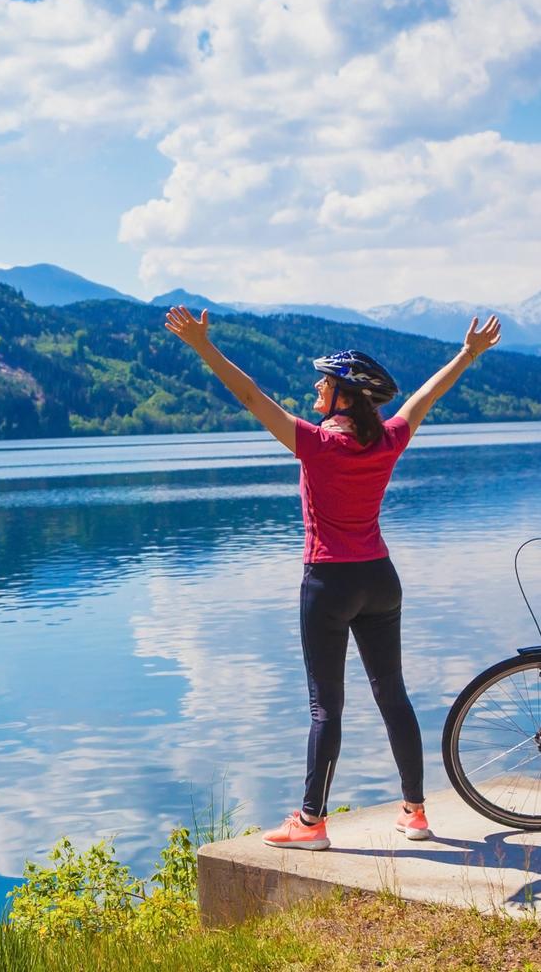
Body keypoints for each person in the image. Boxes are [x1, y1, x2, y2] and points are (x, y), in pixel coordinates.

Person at [164, 305, 502, 849]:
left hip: (329, 582)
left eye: (323, 382)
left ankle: (311, 822)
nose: (315, 388)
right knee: (392, 693)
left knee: (327, 706)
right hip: (380, 579)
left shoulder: (317, 444)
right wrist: (468, 354)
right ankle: (415, 812)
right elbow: (425, 398)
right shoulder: (387, 438)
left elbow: (251, 397)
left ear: (344, 395)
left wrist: (203, 346)